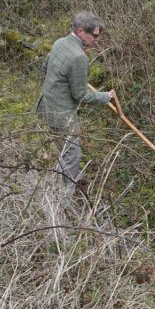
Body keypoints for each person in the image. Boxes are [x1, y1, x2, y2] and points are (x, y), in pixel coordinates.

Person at [35, 11, 115, 188]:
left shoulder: (59, 43)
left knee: (59, 148)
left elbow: (45, 67)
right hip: (62, 115)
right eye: (94, 35)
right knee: (72, 154)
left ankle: (63, 180)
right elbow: (81, 95)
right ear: (81, 32)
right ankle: (66, 198)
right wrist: (105, 96)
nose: (97, 39)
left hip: (45, 106)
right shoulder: (79, 57)